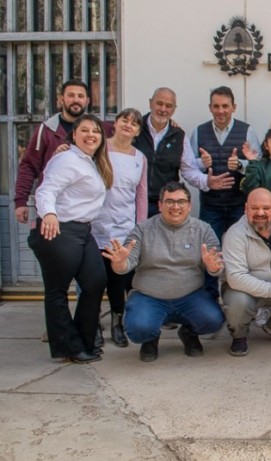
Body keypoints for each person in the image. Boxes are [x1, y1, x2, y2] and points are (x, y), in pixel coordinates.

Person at [102, 182, 226, 362]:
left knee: (213, 320)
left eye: (181, 202)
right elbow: (124, 266)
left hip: (189, 296)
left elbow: (217, 268)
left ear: (189, 205)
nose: (175, 207)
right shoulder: (142, 230)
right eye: (169, 201)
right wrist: (119, 263)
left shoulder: (204, 230)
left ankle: (189, 333)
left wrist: (213, 267)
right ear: (160, 205)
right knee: (138, 330)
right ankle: (150, 338)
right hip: (149, 296)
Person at [28, 114, 113, 364]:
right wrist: (50, 215)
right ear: (73, 135)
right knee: (57, 292)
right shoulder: (66, 159)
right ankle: (69, 347)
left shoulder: (90, 161)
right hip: (59, 230)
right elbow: (46, 190)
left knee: (96, 282)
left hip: (83, 231)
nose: (91, 135)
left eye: (96, 131)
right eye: (84, 130)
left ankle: (84, 340)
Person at [190, 86, 262, 300]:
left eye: (225, 106)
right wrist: (201, 164)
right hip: (211, 205)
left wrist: (240, 164)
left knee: (239, 256)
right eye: (216, 106)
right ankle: (210, 303)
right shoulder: (199, 132)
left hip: (238, 205)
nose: (221, 111)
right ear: (210, 108)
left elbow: (259, 167)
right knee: (209, 255)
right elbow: (188, 167)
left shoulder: (247, 131)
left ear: (234, 107)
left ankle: (237, 302)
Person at [15, 79, 113, 224]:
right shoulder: (46, 130)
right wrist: (21, 201)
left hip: (88, 215)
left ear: (87, 101)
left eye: (80, 96)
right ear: (61, 99)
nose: (76, 100)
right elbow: (29, 166)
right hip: (53, 211)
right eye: (71, 95)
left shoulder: (102, 130)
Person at [220, 188, 271, 357]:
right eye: (254, 208)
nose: (260, 213)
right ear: (245, 208)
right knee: (238, 302)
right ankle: (239, 336)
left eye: (266, 208)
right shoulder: (235, 234)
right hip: (246, 291)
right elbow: (235, 277)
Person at [91, 108, 148, 348]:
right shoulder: (99, 149)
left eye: (134, 123)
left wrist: (140, 227)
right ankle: (91, 323)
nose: (128, 125)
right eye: (125, 119)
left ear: (138, 131)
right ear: (115, 123)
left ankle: (117, 322)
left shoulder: (139, 158)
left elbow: (141, 195)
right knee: (93, 278)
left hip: (124, 226)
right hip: (95, 223)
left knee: (117, 278)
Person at [134, 87, 233, 217]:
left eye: (169, 106)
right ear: (150, 103)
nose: (163, 109)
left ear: (174, 109)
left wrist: (206, 182)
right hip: (133, 203)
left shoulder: (179, 136)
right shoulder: (135, 129)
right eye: (159, 103)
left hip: (165, 205)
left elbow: (189, 169)